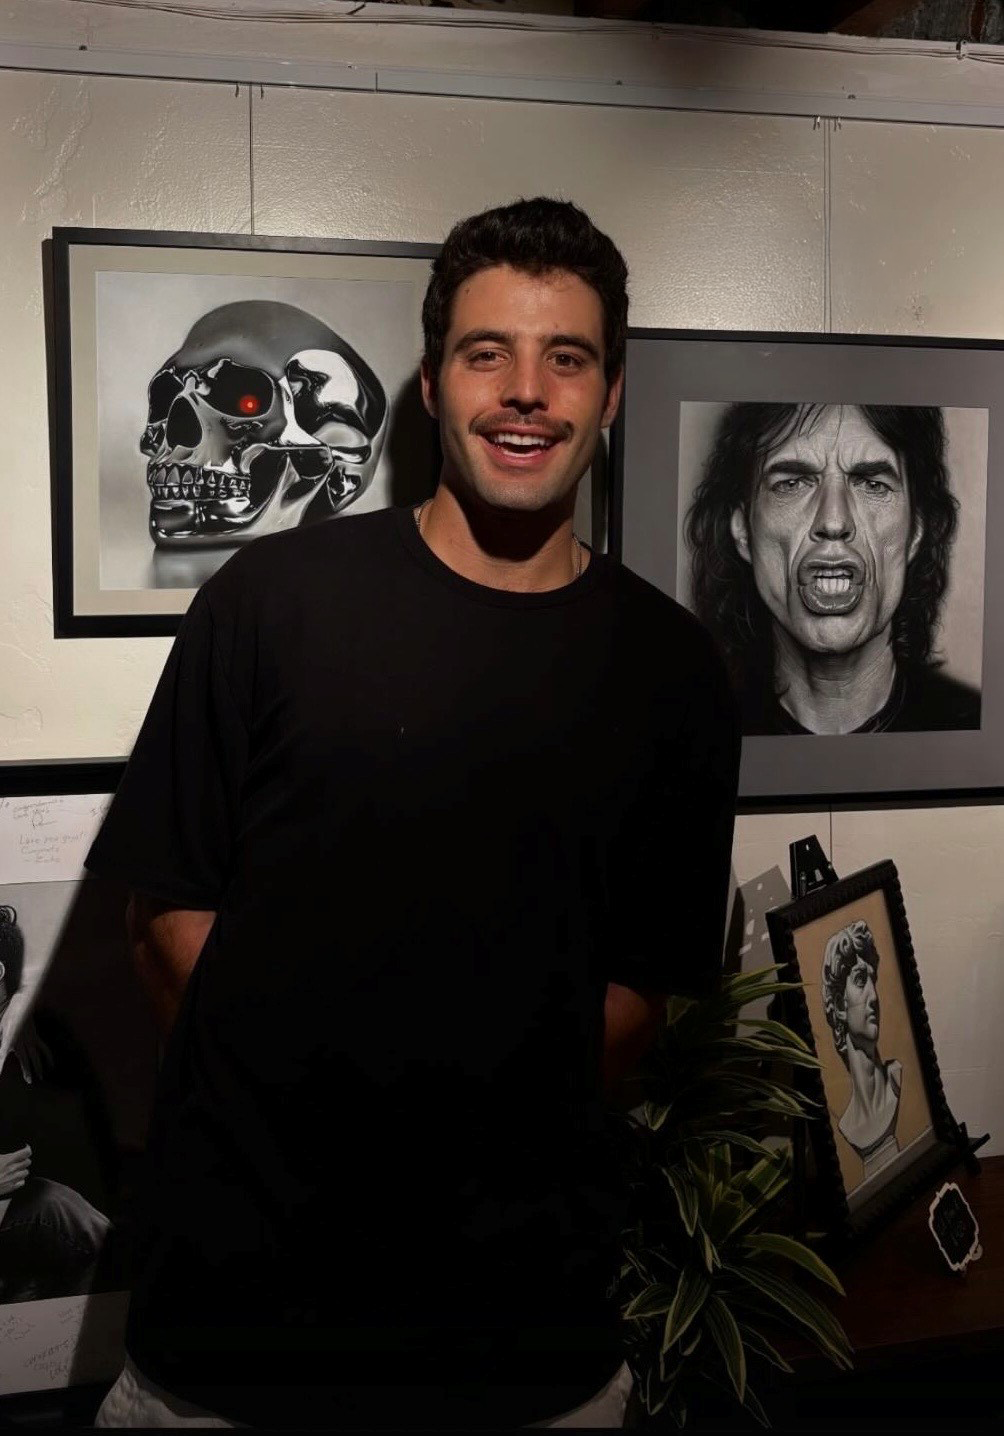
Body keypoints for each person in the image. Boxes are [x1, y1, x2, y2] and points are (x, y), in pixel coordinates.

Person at [86, 196, 740, 1430]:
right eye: (488, 352)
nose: (525, 390)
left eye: (566, 357)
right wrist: (293, 1128)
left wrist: (477, 1139)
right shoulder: (268, 603)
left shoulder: (674, 671)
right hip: (235, 1344)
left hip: (522, 1351)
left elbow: (635, 996)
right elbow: (165, 916)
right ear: (433, 382)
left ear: (611, 394)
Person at [686, 402, 981, 735]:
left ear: (915, 531)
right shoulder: (692, 733)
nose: (834, 521)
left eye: (872, 484)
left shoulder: (975, 728)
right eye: (792, 483)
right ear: (743, 531)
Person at [821, 920, 901, 1178]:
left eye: (872, 980)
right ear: (839, 1006)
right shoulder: (846, 1125)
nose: (874, 996)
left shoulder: (897, 1079)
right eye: (860, 981)